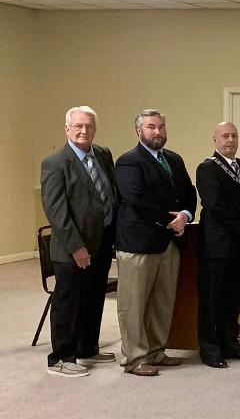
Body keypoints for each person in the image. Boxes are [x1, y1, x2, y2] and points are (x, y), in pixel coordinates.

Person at [115, 109, 196, 376]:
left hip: (170, 243)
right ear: (139, 131)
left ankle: (156, 352)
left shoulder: (173, 159)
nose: (157, 131)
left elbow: (188, 192)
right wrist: (169, 220)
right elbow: (136, 199)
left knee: (162, 301)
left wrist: (185, 215)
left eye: (161, 126)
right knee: (134, 304)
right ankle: (134, 358)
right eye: (151, 127)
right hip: (138, 243)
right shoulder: (128, 162)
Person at [40, 106, 119, 377]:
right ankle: (61, 358)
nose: (84, 131)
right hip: (72, 248)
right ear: (67, 129)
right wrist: (77, 246)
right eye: (78, 126)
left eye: (89, 126)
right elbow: (56, 210)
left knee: (94, 297)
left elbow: (111, 193)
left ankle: (87, 347)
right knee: (69, 302)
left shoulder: (103, 154)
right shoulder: (55, 163)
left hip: (102, 241)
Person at [195, 122, 240, 368]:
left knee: (234, 297)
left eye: (234, 135)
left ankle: (230, 342)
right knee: (212, 298)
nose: (230, 140)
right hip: (217, 244)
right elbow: (215, 204)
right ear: (215, 139)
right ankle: (209, 347)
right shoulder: (207, 168)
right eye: (225, 136)